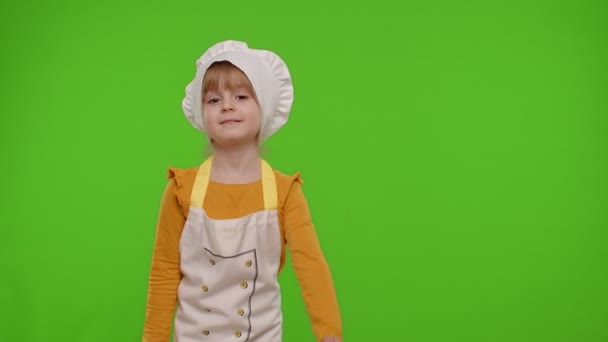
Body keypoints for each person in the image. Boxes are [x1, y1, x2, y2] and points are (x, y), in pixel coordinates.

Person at [141, 40, 343, 342]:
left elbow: (310, 264)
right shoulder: (181, 191)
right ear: (200, 115)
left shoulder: (284, 192)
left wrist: (329, 331)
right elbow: (165, 273)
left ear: (265, 106)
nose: (227, 106)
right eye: (213, 100)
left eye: (241, 96)